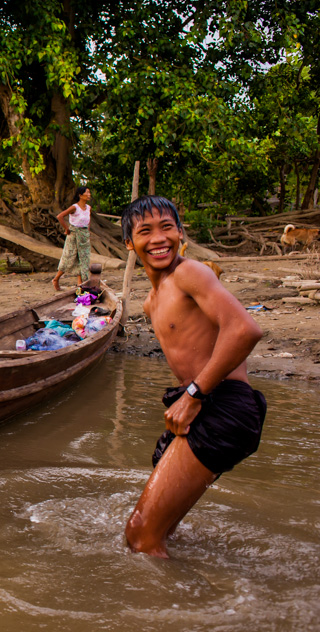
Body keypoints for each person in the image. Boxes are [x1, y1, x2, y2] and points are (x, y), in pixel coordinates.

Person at [120, 196, 266, 558]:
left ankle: (171, 612)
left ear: (181, 233)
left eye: (167, 228)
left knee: (140, 535)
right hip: (204, 406)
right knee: (161, 531)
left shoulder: (189, 273)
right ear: (129, 243)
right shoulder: (151, 302)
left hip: (224, 405)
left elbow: (245, 330)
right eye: (145, 231)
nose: (158, 239)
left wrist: (193, 396)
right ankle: (191, 599)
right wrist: (190, 399)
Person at [52, 186, 92, 291]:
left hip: (84, 236)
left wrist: (87, 232)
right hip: (74, 235)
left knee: (83, 260)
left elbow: (88, 221)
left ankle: (81, 284)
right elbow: (60, 216)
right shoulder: (74, 207)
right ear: (80, 195)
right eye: (87, 192)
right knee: (68, 258)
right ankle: (56, 279)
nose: (89, 194)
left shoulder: (88, 208)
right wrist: (67, 229)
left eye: (89, 192)